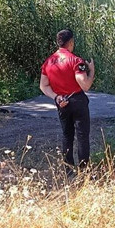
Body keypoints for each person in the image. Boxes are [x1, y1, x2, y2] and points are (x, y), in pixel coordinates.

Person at [40, 29, 95, 173]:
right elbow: (85, 85)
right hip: (77, 100)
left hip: (62, 102)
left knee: (67, 135)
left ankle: (68, 169)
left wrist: (56, 97)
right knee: (82, 136)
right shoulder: (77, 61)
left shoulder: (48, 62)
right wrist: (92, 72)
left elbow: (43, 85)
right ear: (70, 42)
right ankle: (83, 170)